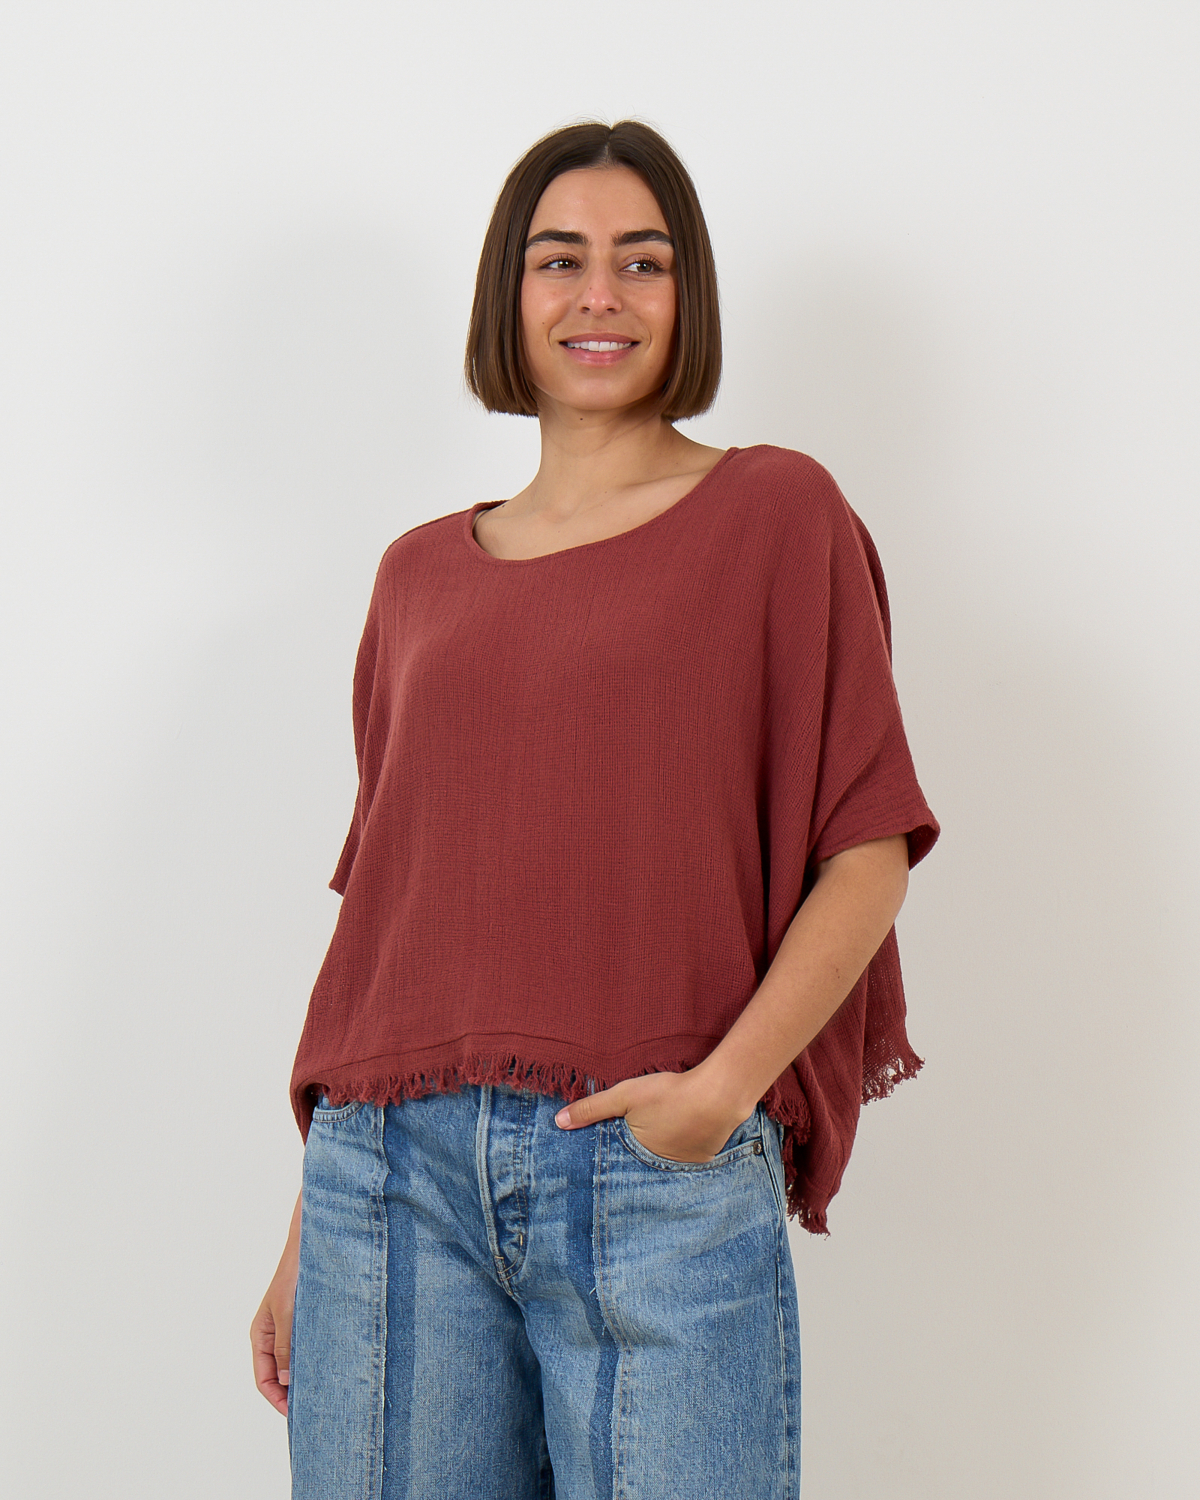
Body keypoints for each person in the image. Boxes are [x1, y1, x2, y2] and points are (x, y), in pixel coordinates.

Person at [250, 119, 938, 1500]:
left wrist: (718, 1098)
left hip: (649, 1167)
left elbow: (866, 851)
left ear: (690, 295)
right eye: (560, 260)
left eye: (644, 261)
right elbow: (394, 922)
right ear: (509, 294)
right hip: (387, 1186)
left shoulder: (777, 512)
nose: (600, 295)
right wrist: (307, 1228)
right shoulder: (414, 577)